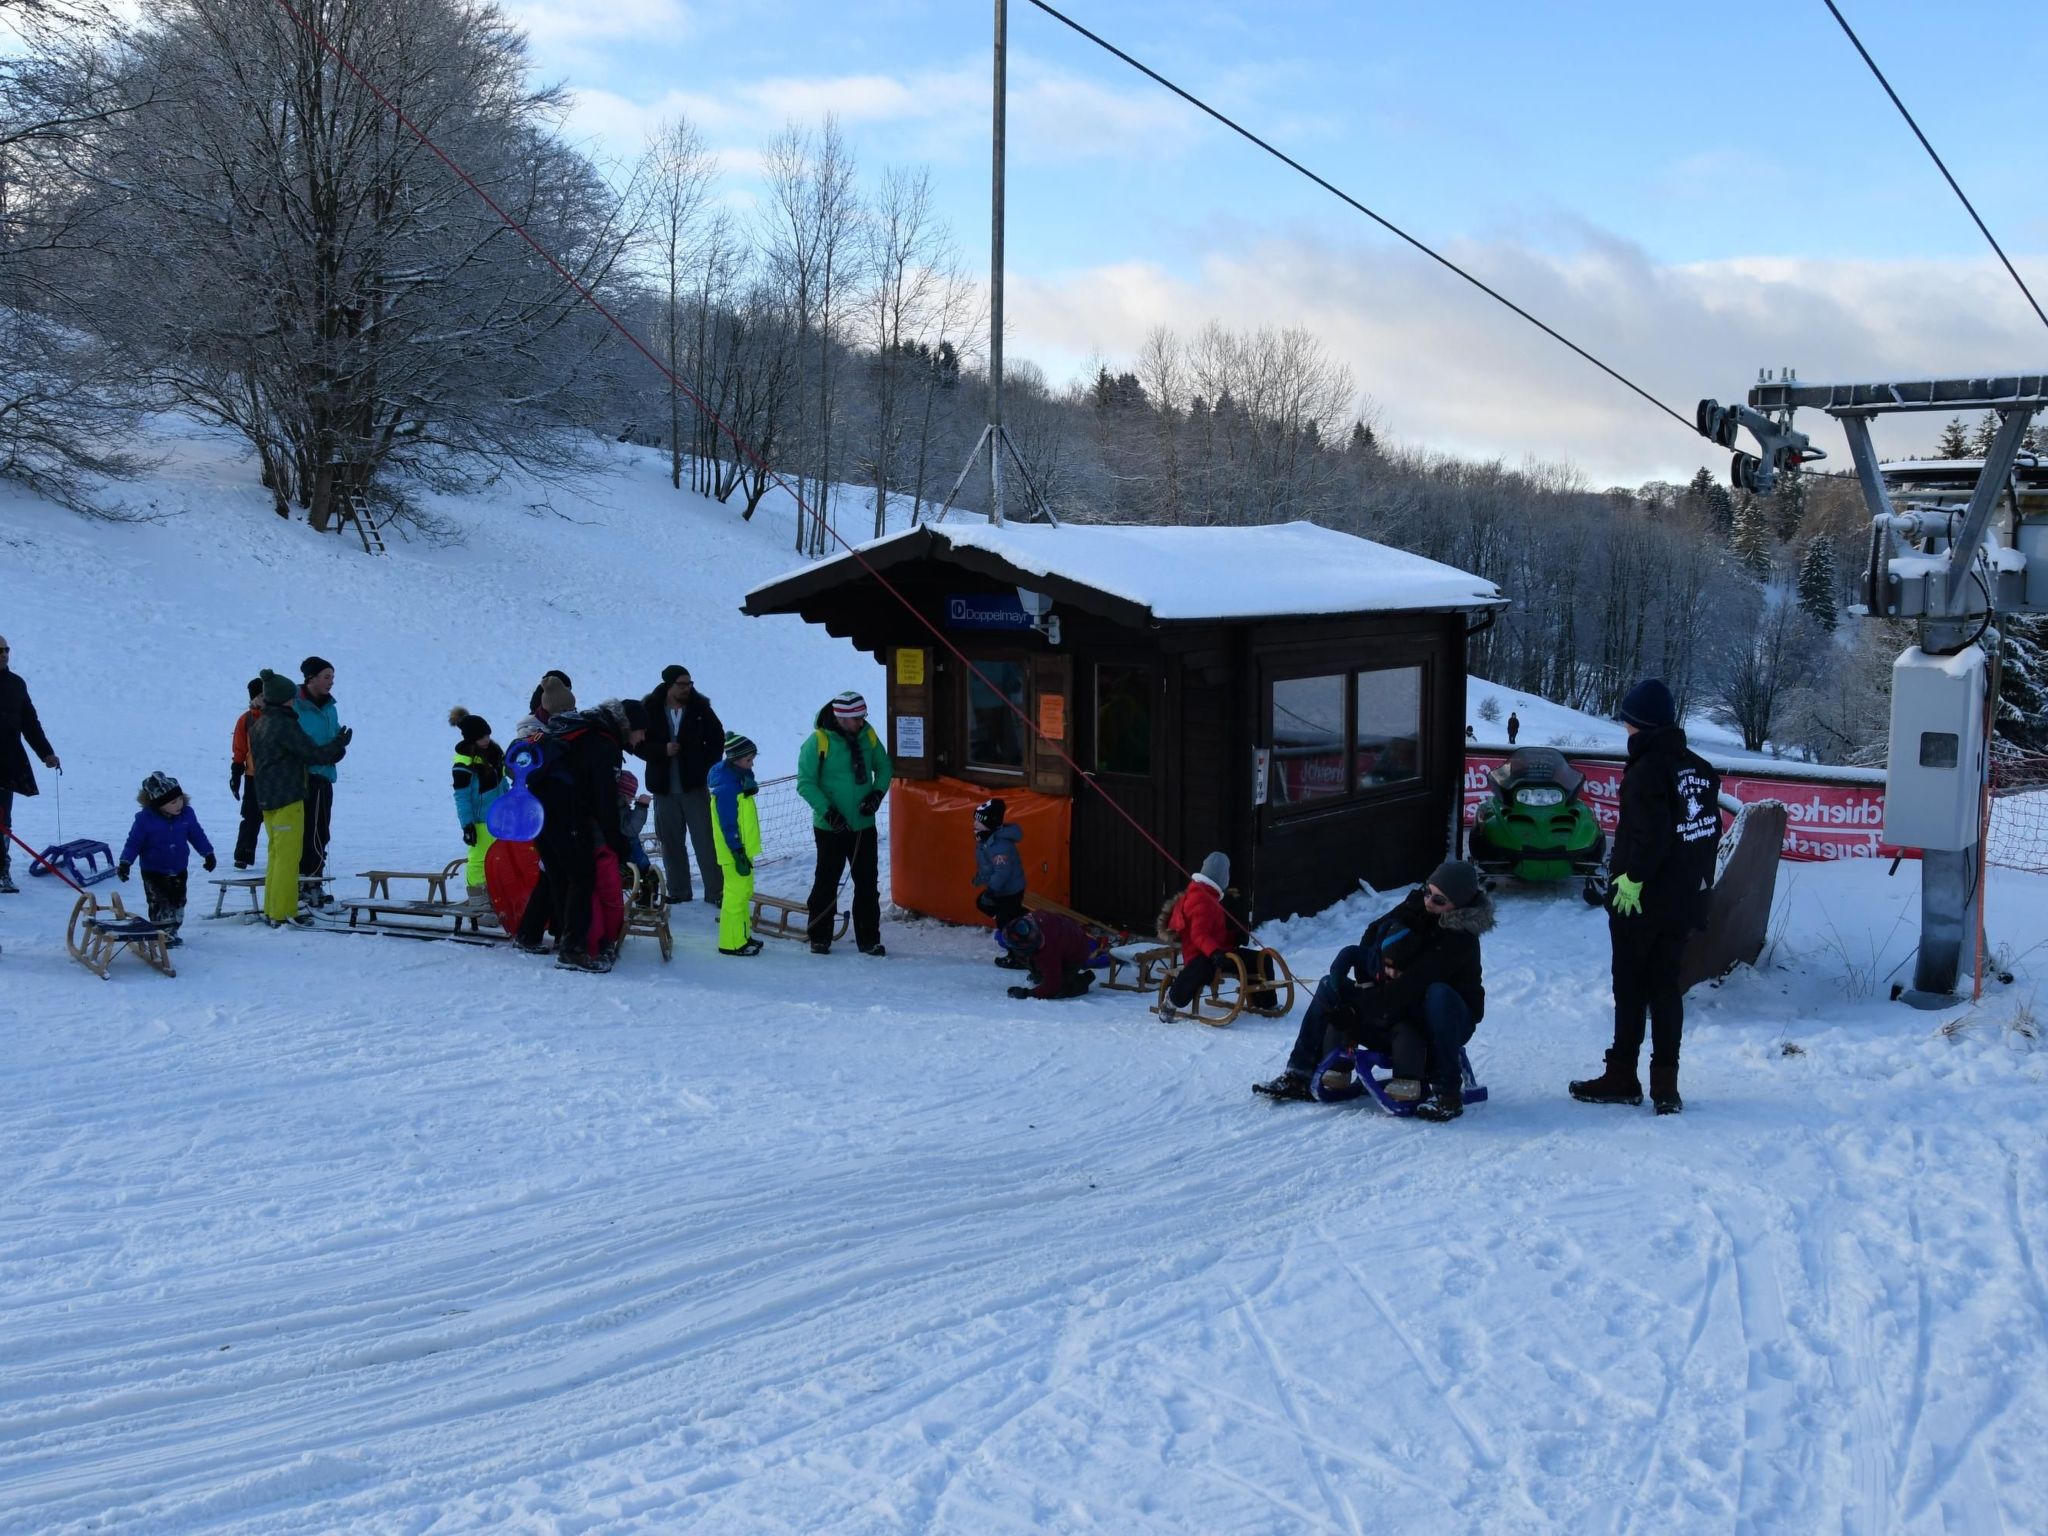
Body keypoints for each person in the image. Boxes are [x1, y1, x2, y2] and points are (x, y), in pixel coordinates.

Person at [1570, 679, 1721, 1116]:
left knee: (1631, 986)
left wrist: (1631, 879)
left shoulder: (1647, 770)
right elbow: (1706, 835)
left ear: (1638, 723)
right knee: (1666, 988)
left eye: (1627, 720)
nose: (1625, 728)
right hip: (1683, 900)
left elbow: (1650, 836)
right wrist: (1698, 883)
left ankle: (1621, 1077)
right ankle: (1666, 1087)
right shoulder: (1699, 768)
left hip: (1642, 900)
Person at [1256, 860, 1494, 1121]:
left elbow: (1412, 984)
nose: (1428, 902)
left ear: (1458, 904)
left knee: (1437, 992)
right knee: (1329, 986)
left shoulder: (1461, 938)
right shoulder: (1415, 905)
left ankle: (1447, 1093)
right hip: (1399, 1006)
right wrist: (1376, 965)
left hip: (1445, 1017)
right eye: (1428, 892)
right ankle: (1299, 1075)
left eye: (1439, 900)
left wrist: (1358, 1010)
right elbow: (1373, 931)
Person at [515, 696, 643, 972]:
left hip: (537, 810)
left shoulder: (584, 732)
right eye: (643, 731)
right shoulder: (602, 744)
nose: (642, 738)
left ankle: (547, 937)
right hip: (565, 813)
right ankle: (574, 949)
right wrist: (617, 842)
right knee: (581, 877)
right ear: (630, 725)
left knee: (557, 874)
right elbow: (604, 800)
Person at [249, 669, 350, 926]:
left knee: (276, 856)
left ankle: (273, 910)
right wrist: (338, 745)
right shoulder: (284, 724)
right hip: (288, 797)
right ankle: (284, 913)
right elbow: (312, 753)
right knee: (288, 859)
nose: (295, 701)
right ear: (284, 699)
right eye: (292, 698)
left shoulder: (259, 723)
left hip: (267, 797)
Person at [796, 690, 893, 956]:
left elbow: (884, 768)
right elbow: (805, 783)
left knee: (866, 883)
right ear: (840, 718)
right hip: (830, 827)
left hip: (863, 826)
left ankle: (869, 939)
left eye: (863, 717)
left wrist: (876, 795)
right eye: (856, 719)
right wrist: (829, 813)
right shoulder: (818, 741)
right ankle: (819, 936)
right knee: (826, 881)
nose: (861, 723)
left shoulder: (868, 735)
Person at [637, 664, 725, 906]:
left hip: (695, 788)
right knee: (671, 842)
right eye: (682, 684)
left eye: (689, 684)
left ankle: (716, 891)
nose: (687, 688)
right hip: (663, 790)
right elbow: (638, 744)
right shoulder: (650, 708)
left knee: (706, 841)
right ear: (669, 685)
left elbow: (717, 740)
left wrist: (704, 767)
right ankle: (678, 891)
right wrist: (661, 750)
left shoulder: (701, 708)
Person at [117, 772, 216, 946]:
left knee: (178, 901)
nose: (179, 804)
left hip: (178, 867)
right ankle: (163, 934)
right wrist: (125, 862)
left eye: (180, 799)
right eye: (173, 802)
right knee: (159, 902)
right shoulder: (145, 820)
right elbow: (134, 843)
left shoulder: (187, 814)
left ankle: (173, 929)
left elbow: (196, 835)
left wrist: (208, 853)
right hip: (153, 870)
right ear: (158, 804)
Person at [0, 634, 60, 894]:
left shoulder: (15, 684)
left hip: (6, 762)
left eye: (6, 649)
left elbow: (30, 723)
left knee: (3, 821)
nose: (3, 654)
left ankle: (2, 871)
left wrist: (46, 753)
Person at [1154, 851, 1236, 1021]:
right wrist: (1215, 952)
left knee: (1258, 959)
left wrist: (1234, 937)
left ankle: (1264, 1001)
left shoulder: (1210, 897)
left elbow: (1216, 933)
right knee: (1200, 968)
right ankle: (1171, 1001)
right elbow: (1198, 935)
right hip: (1199, 955)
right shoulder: (1201, 899)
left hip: (1216, 952)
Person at [293, 656, 344, 904]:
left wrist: (339, 748)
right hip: (304, 777)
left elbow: (333, 737)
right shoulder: (296, 705)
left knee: (321, 832)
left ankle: (315, 881)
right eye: (327, 677)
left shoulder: (330, 708)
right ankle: (304, 883)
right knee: (308, 832)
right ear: (311, 678)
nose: (331, 682)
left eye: (333, 677)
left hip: (325, 777)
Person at [709, 732, 764, 956]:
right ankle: (731, 943)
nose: (752, 763)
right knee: (735, 895)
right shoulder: (728, 788)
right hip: (734, 850)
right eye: (748, 760)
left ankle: (742, 935)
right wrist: (736, 850)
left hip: (743, 848)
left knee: (744, 892)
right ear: (735, 759)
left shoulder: (738, 779)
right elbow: (728, 823)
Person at [450, 708, 505, 909]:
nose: (487, 739)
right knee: (478, 860)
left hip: (500, 816)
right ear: (472, 738)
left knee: (499, 858)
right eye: (482, 736)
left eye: (488, 734)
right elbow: (461, 797)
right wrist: (467, 825)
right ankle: (478, 902)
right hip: (480, 820)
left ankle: (496, 898)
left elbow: (503, 781)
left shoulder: (494, 753)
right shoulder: (464, 762)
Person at [972, 798, 1029, 968]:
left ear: (991, 823)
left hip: (1009, 890)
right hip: (1001, 889)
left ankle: (1018, 957)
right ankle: (1019, 915)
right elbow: (989, 865)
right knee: (983, 904)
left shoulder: (1000, 845)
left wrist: (990, 891)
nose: (974, 823)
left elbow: (1002, 872)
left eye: (979, 821)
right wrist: (981, 878)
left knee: (1006, 923)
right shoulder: (987, 838)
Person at [1002, 912, 1096, 1000]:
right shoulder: (1035, 918)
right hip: (1068, 936)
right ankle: (1041, 974)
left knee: (1059, 990)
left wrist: (1027, 993)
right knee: (1039, 972)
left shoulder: (1048, 950)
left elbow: (1051, 988)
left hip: (1076, 953)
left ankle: (1084, 981)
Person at [230, 678, 265, 870]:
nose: (264, 699)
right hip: (253, 776)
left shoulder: (279, 717)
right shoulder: (246, 719)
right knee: (250, 816)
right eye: (261, 696)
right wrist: (236, 773)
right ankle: (243, 854)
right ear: (253, 698)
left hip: (275, 777)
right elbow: (239, 748)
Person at [616, 769, 659, 908]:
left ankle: (647, 897)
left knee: (648, 872)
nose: (631, 799)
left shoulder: (618, 806)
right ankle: (647, 900)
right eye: (630, 795)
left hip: (626, 851)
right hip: (629, 853)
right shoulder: (620, 808)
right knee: (648, 874)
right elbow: (631, 829)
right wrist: (641, 807)